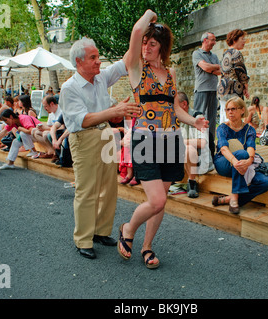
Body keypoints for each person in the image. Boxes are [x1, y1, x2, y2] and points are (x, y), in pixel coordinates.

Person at [117, 10, 209, 269]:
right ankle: (128, 229)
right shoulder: (135, 67)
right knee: (157, 200)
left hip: (171, 141)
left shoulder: (170, 74)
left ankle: (147, 247)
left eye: (152, 43)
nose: (146, 47)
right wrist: (150, 15)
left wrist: (194, 121)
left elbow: (175, 108)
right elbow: (136, 32)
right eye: (145, 43)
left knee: (161, 201)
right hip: (145, 141)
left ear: (162, 48)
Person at [59, 37, 140, 260]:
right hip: (84, 139)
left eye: (98, 56)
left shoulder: (100, 78)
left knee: (108, 188)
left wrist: (139, 32)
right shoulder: (69, 88)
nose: (98, 61)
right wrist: (116, 110)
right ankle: (83, 239)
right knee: (86, 191)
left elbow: (126, 61)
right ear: (78, 62)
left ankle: (101, 231)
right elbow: (83, 120)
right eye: (93, 57)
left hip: (105, 134)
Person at [212, 96, 268, 214]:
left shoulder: (249, 130)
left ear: (242, 110)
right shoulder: (222, 128)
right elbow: (223, 149)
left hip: (242, 164)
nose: (230, 112)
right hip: (224, 163)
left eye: (233, 109)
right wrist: (235, 161)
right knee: (241, 153)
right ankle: (234, 197)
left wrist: (248, 161)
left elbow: (251, 147)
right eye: (227, 109)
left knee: (265, 182)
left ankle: (228, 199)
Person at [178, 91, 213, 198]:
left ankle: (192, 183)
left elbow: (201, 143)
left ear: (184, 104)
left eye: (175, 105)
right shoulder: (173, 118)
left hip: (199, 160)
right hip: (182, 159)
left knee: (188, 148)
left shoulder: (198, 117)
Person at [192, 31, 220, 156]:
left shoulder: (214, 56)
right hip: (201, 91)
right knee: (199, 119)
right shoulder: (197, 53)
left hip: (213, 91)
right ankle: (197, 150)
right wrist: (213, 67)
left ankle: (210, 150)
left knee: (212, 120)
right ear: (205, 40)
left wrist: (211, 67)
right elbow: (207, 68)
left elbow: (220, 71)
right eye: (213, 40)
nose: (214, 42)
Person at [217, 29, 250, 125]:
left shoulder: (225, 54)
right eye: (242, 38)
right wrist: (246, 87)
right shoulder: (237, 53)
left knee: (224, 115)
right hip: (234, 90)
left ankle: (223, 137)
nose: (244, 41)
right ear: (235, 39)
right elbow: (241, 72)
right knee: (234, 116)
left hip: (223, 90)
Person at [31, 95, 62, 159]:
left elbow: (62, 128)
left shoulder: (61, 111)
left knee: (46, 134)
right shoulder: (51, 113)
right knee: (35, 131)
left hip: (60, 133)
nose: (45, 109)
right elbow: (49, 125)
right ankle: (50, 150)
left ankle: (55, 152)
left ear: (52, 104)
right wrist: (41, 127)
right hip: (53, 131)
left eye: (45, 106)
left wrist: (46, 128)